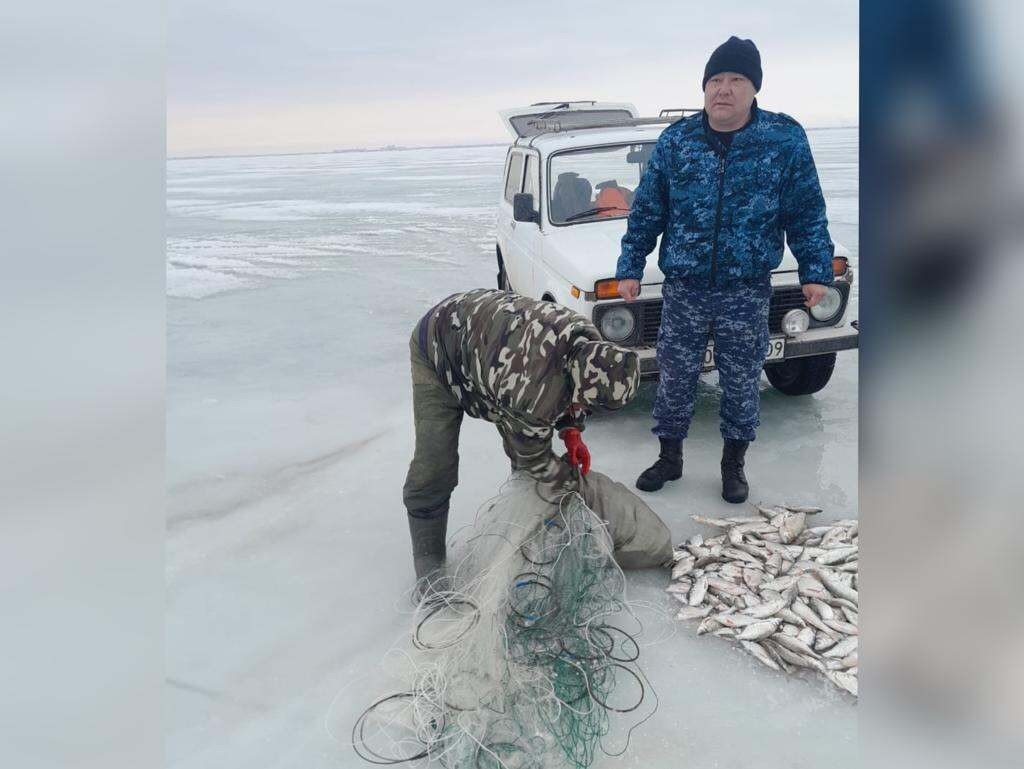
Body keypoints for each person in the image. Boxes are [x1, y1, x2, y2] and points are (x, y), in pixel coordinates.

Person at [615, 36, 834, 503]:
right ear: (705, 87)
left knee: (741, 379)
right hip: (685, 287)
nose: (724, 89)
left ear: (754, 88)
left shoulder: (783, 140)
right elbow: (648, 210)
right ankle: (669, 458)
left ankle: (733, 465)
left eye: (736, 79)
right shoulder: (677, 141)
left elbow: (806, 211)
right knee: (675, 376)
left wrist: (815, 270)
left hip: (746, 288)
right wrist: (631, 264)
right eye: (716, 79)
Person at [403, 288, 643, 593]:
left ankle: (523, 529)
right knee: (436, 461)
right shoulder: (533, 387)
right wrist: (570, 485)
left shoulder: (591, 345)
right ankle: (428, 561)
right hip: (439, 347)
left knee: (528, 452)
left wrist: (571, 430)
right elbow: (533, 455)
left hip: (494, 353)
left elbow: (571, 395)